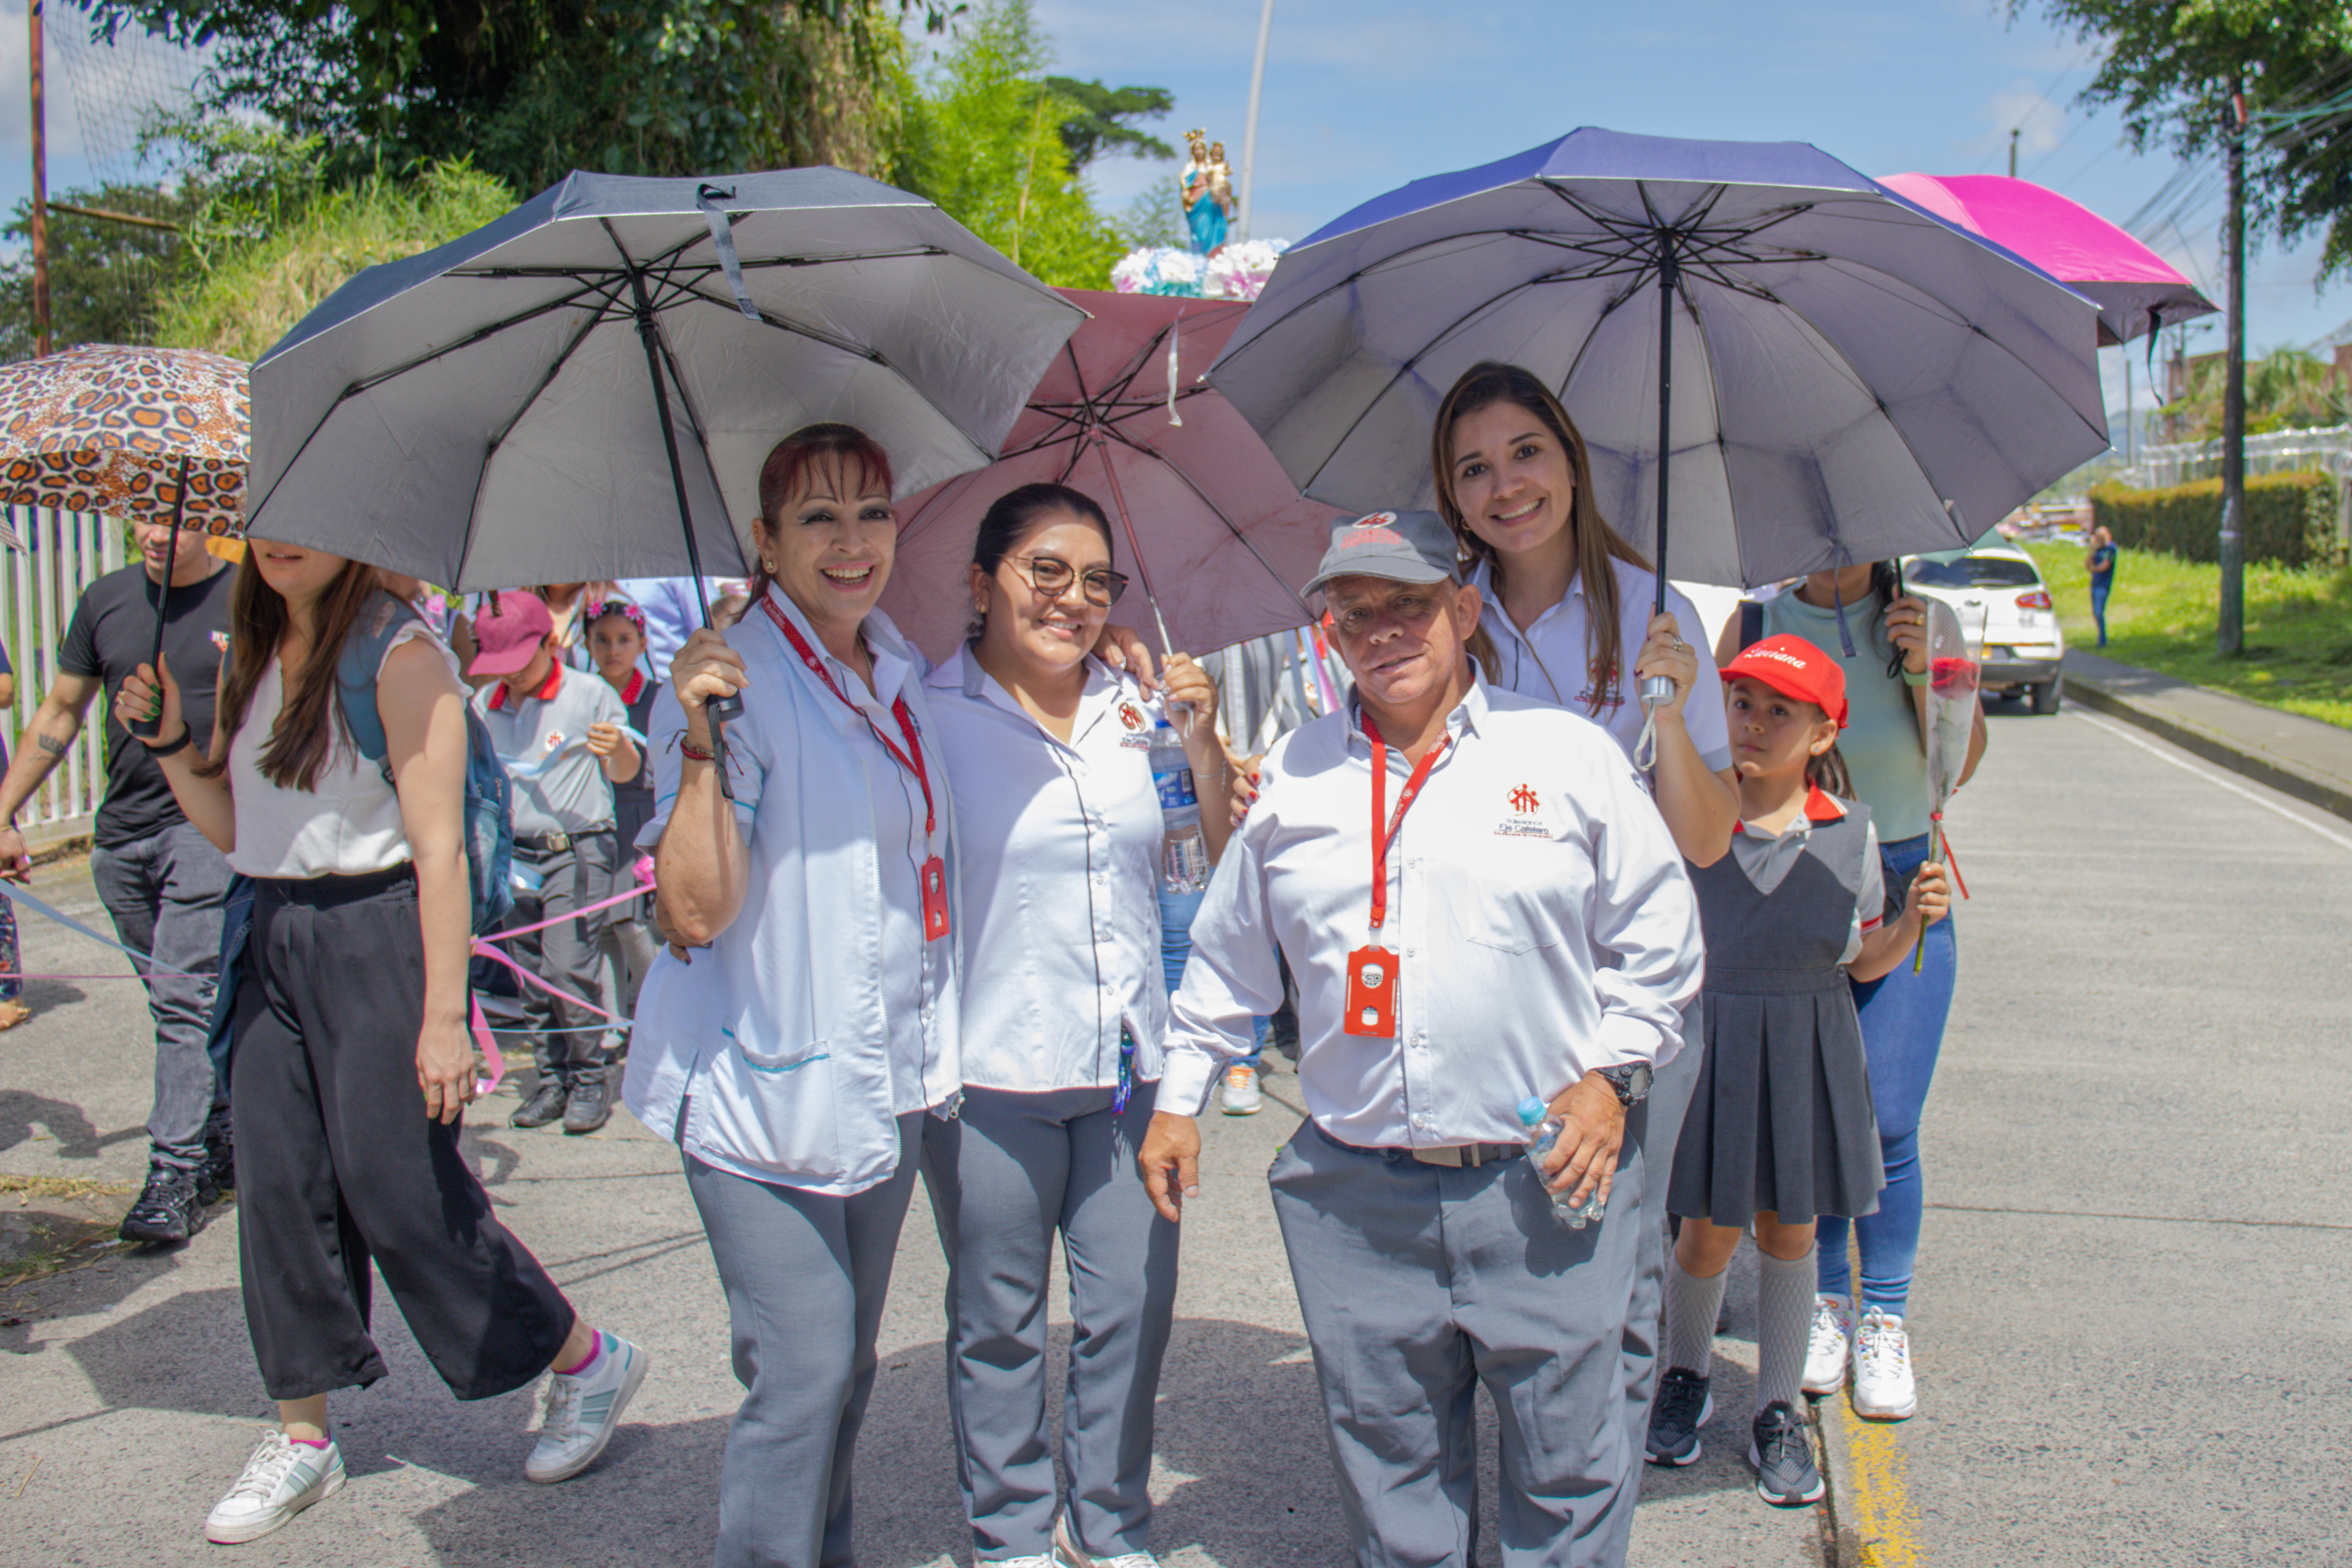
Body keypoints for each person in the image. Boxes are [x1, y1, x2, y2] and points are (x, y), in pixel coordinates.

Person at [1138, 510, 1703, 1568]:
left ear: (1463, 607)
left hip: (1544, 1175)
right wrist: (1178, 1102)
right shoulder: (1293, 780)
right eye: (1355, 613)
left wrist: (1610, 1076)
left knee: (1569, 1473)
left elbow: (1659, 940)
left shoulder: (1568, 757)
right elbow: (1224, 961)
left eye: (1408, 603)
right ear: (1328, 633)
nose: (1382, 630)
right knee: (1390, 1477)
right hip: (1357, 1197)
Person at [118, 545, 646, 1546]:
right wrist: (172, 741)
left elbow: (438, 849)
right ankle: (303, 1435)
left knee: (402, 1189)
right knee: (279, 1188)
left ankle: (583, 1358)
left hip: (380, 932)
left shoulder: (402, 657)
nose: (283, 541)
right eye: (268, 518)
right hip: (272, 929)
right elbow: (237, 830)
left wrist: (445, 1016)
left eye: (310, 522)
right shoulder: (255, 653)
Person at [626, 423, 968, 1568]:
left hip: (884, 1072)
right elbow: (694, 912)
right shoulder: (741, 680)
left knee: (847, 1366)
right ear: (764, 543)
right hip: (757, 1078)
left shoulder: (897, 666)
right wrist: (699, 742)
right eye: (818, 517)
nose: (853, 540)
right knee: (806, 1362)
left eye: (873, 511)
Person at [1429, 358, 1737, 1543]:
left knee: (1619, 1276)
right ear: (1452, 500)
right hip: (1488, 992)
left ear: (1569, 460)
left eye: (1526, 454)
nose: (1506, 486)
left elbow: (1706, 841)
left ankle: (1580, 1529)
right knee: (1494, 1259)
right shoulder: (1444, 614)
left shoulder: (1656, 612)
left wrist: (1665, 708)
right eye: (1474, 469)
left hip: (1635, 1002)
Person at [919, 483, 1229, 1568]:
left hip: (1129, 1073)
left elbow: (1203, 860)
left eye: (1097, 579)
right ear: (981, 582)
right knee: (1000, 1317)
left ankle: (1108, 1525)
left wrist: (1201, 743)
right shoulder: (928, 715)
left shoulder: (1137, 705)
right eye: (1045, 571)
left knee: (1133, 1308)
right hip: (990, 1072)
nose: (1074, 598)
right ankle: (1008, 1531)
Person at [1645, 636, 1949, 1508]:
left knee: (1788, 1233)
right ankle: (1684, 1373)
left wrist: (1912, 924)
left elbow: (1862, 961)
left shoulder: (1850, 834)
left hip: (1807, 1048)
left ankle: (1777, 1408)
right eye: (1742, 704)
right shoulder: (1694, 812)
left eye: (1781, 711)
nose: (1754, 723)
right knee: (1703, 1232)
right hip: (1714, 1043)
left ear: (1822, 734)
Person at [1717, 563, 1987, 1423]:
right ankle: (1826, 1301)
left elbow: (1960, 762)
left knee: (1889, 1115)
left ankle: (1883, 1316)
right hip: (1790, 875)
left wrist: (1920, 672)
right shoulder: (1759, 619)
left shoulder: (1925, 622)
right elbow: (1719, 745)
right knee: (1813, 1112)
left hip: (1904, 873)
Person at [0, 516, 236, 1242]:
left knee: (181, 998)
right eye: (146, 517)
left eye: (180, 521)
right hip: (121, 837)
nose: (159, 533)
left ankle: (173, 1172)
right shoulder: (104, 598)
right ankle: (223, 1132)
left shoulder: (245, 601)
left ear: (215, 523)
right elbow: (61, 709)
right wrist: (6, 810)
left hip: (205, 830)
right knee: (179, 1002)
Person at [470, 591, 639, 1134]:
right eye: (498, 666)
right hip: (513, 854)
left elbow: (625, 772)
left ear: (550, 643)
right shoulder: (482, 706)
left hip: (578, 847)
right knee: (529, 971)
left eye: (518, 662)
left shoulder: (589, 694)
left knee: (568, 964)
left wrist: (616, 748)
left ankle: (591, 1078)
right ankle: (552, 1078)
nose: (511, 677)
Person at [582, 598, 662, 1036]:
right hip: (596, 815)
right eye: (602, 640)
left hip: (640, 814)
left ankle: (657, 1011)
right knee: (605, 926)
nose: (613, 649)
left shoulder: (659, 697)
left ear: (643, 643)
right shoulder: (581, 695)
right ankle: (613, 1026)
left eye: (624, 640)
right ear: (587, 643)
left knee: (632, 921)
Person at [2085, 525, 2117, 648]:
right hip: (2094, 585)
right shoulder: (2097, 549)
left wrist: (2094, 569)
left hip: (2103, 586)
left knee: (2099, 613)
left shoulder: (2110, 549)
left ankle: (2102, 640)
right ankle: (2101, 637)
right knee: (2095, 613)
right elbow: (2087, 565)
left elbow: (2105, 566)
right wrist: (2092, 550)